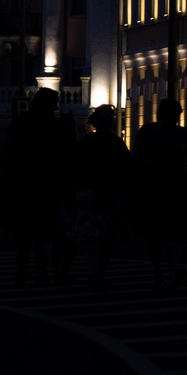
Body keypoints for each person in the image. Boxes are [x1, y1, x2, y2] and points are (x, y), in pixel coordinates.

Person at [4, 91, 68, 285]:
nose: (56, 108)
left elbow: (8, 152)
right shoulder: (53, 126)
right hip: (41, 187)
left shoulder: (22, 122)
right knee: (41, 234)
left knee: (28, 234)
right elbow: (62, 158)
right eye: (53, 104)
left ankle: (24, 270)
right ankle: (37, 270)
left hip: (27, 187)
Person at [133, 100, 187, 290]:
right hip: (161, 188)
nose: (174, 119)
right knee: (162, 234)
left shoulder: (169, 132)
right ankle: (163, 271)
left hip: (164, 189)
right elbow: (138, 156)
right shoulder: (152, 132)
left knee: (164, 234)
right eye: (174, 114)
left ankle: (167, 271)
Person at [71, 107, 133, 290]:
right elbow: (128, 166)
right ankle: (96, 272)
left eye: (110, 118)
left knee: (99, 237)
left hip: (99, 194)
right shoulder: (113, 143)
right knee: (100, 237)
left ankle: (96, 272)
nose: (109, 122)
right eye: (106, 118)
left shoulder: (91, 142)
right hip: (100, 195)